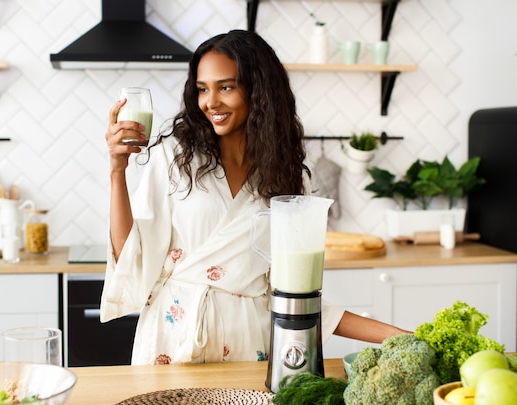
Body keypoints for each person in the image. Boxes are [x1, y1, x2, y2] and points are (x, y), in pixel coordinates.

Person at [101, 29, 408, 365]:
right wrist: (118, 170)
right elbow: (131, 255)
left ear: (259, 90)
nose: (211, 102)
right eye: (203, 89)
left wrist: (397, 337)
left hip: (248, 342)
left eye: (226, 87)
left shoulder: (284, 177)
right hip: (172, 336)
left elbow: (296, 297)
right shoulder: (175, 158)